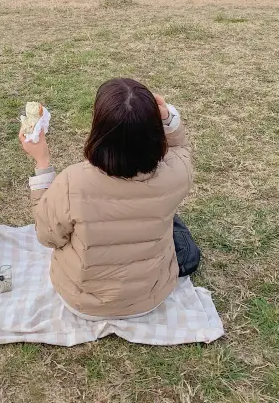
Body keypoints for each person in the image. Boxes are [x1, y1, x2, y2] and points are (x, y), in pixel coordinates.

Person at [19, 77, 194, 320]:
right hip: (150, 297)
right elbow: (180, 149)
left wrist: (42, 162)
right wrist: (169, 118)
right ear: (156, 131)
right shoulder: (177, 174)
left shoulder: (73, 182)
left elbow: (46, 235)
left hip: (82, 302)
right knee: (174, 223)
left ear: (98, 130)